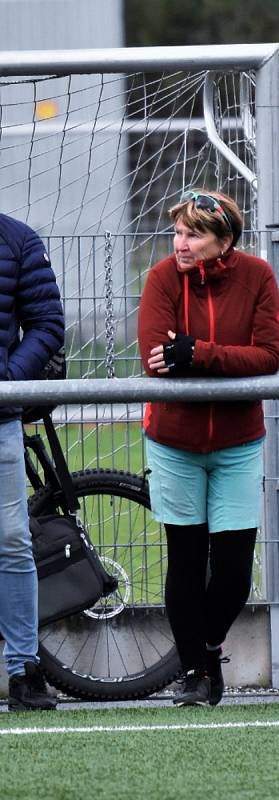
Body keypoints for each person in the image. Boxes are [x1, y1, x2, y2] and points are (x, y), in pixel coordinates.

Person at [138, 189, 279, 706]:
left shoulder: (259, 277)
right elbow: (154, 358)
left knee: (233, 571)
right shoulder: (160, 279)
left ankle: (209, 645)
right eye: (178, 231)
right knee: (185, 558)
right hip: (174, 440)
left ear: (225, 241)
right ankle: (198, 675)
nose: (181, 242)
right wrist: (211, 357)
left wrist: (197, 353)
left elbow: (267, 357)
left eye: (194, 233)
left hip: (238, 441)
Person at [0, 213, 64, 710]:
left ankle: (24, 670)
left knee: (13, 540)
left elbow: (46, 325)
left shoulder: (19, 240)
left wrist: (7, 382)